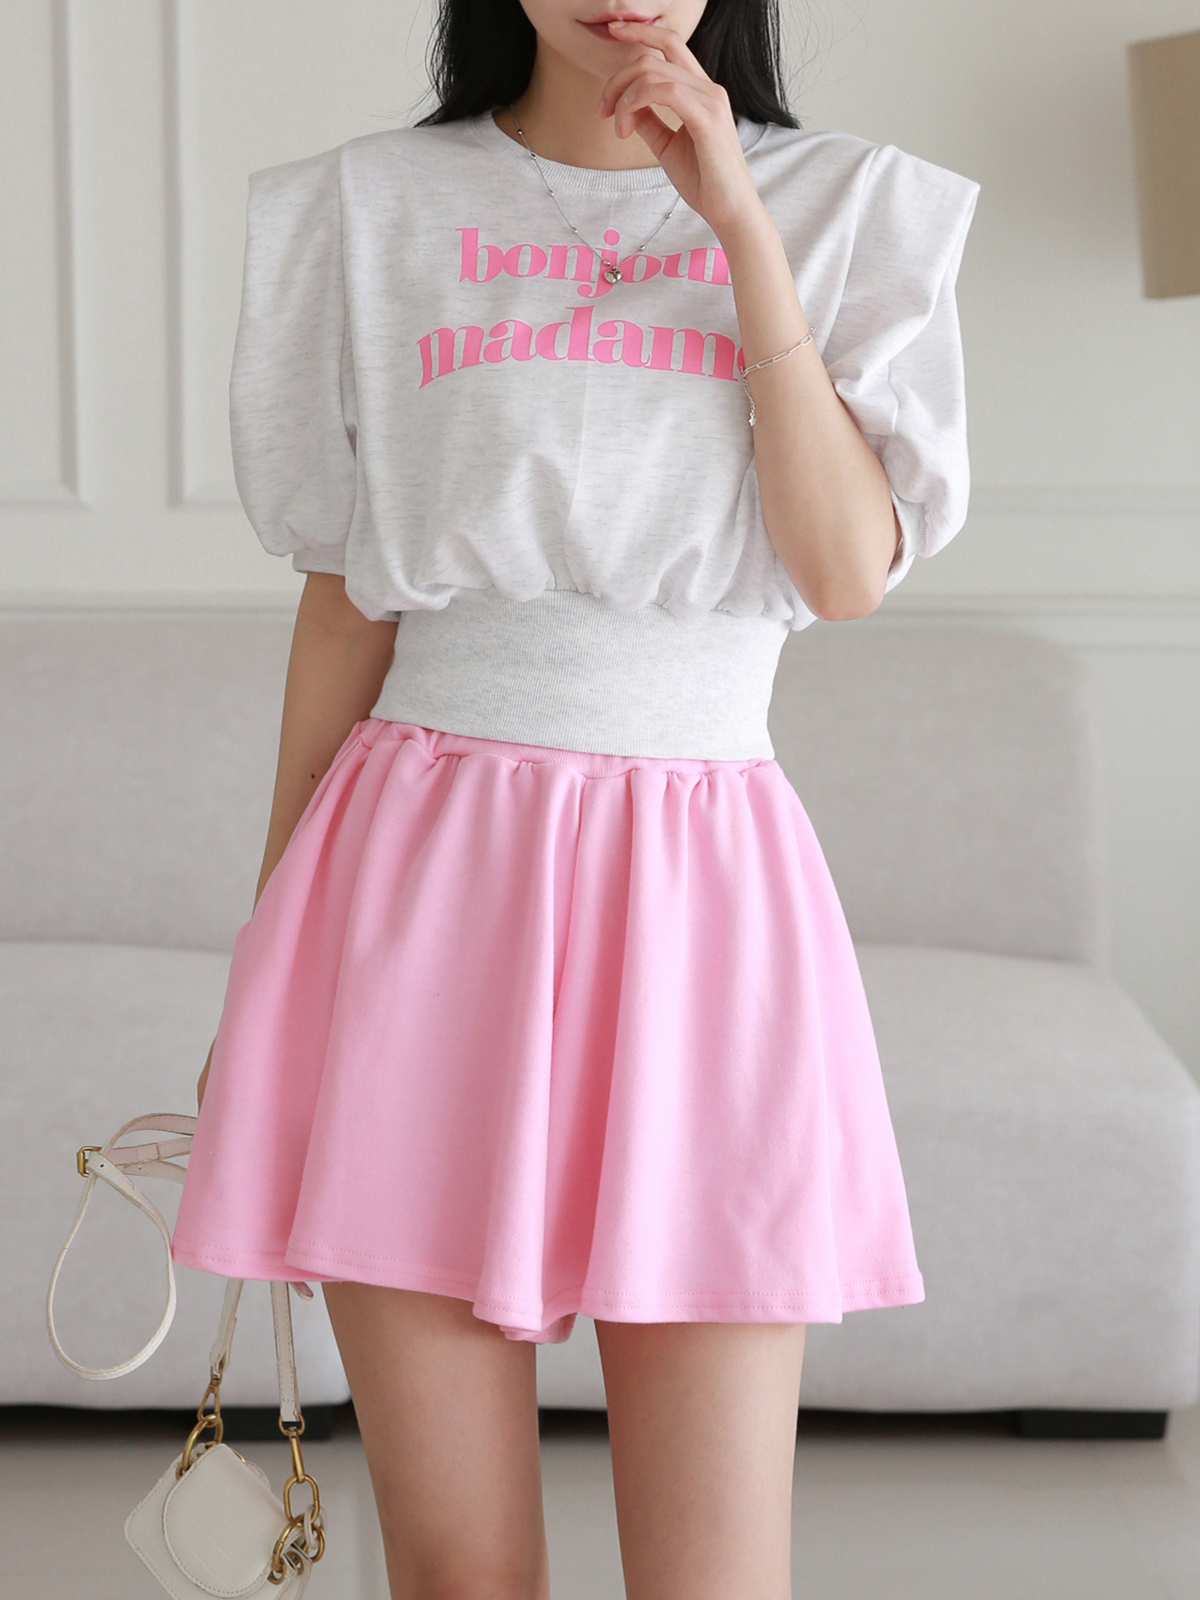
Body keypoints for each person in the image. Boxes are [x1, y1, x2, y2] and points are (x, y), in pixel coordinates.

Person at [172, 1, 980, 1594]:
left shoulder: (856, 205)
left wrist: (740, 225)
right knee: (459, 1574)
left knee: (712, 1578)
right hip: (417, 887)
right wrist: (271, 958)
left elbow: (841, 569)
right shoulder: (368, 206)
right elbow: (345, 605)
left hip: (706, 902)